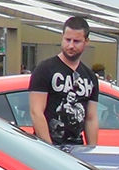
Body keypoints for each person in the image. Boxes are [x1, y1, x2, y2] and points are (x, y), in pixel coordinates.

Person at [28, 15, 98, 146]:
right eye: (67, 40)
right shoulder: (45, 69)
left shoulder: (90, 77)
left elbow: (91, 118)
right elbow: (36, 112)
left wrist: (92, 151)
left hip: (77, 148)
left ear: (86, 41)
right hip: (49, 146)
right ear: (62, 37)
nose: (70, 45)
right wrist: (50, 149)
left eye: (76, 41)